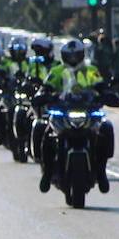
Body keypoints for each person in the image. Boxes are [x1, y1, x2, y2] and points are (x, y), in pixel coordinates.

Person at [40, 38, 111, 194]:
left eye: (75, 55)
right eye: (69, 56)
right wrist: (43, 95)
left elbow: (101, 85)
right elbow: (46, 87)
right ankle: (46, 173)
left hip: (87, 110)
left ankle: (101, 172)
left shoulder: (91, 70)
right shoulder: (57, 71)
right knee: (47, 134)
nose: (72, 59)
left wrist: (106, 94)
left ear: (81, 55)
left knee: (105, 130)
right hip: (64, 110)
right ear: (64, 56)